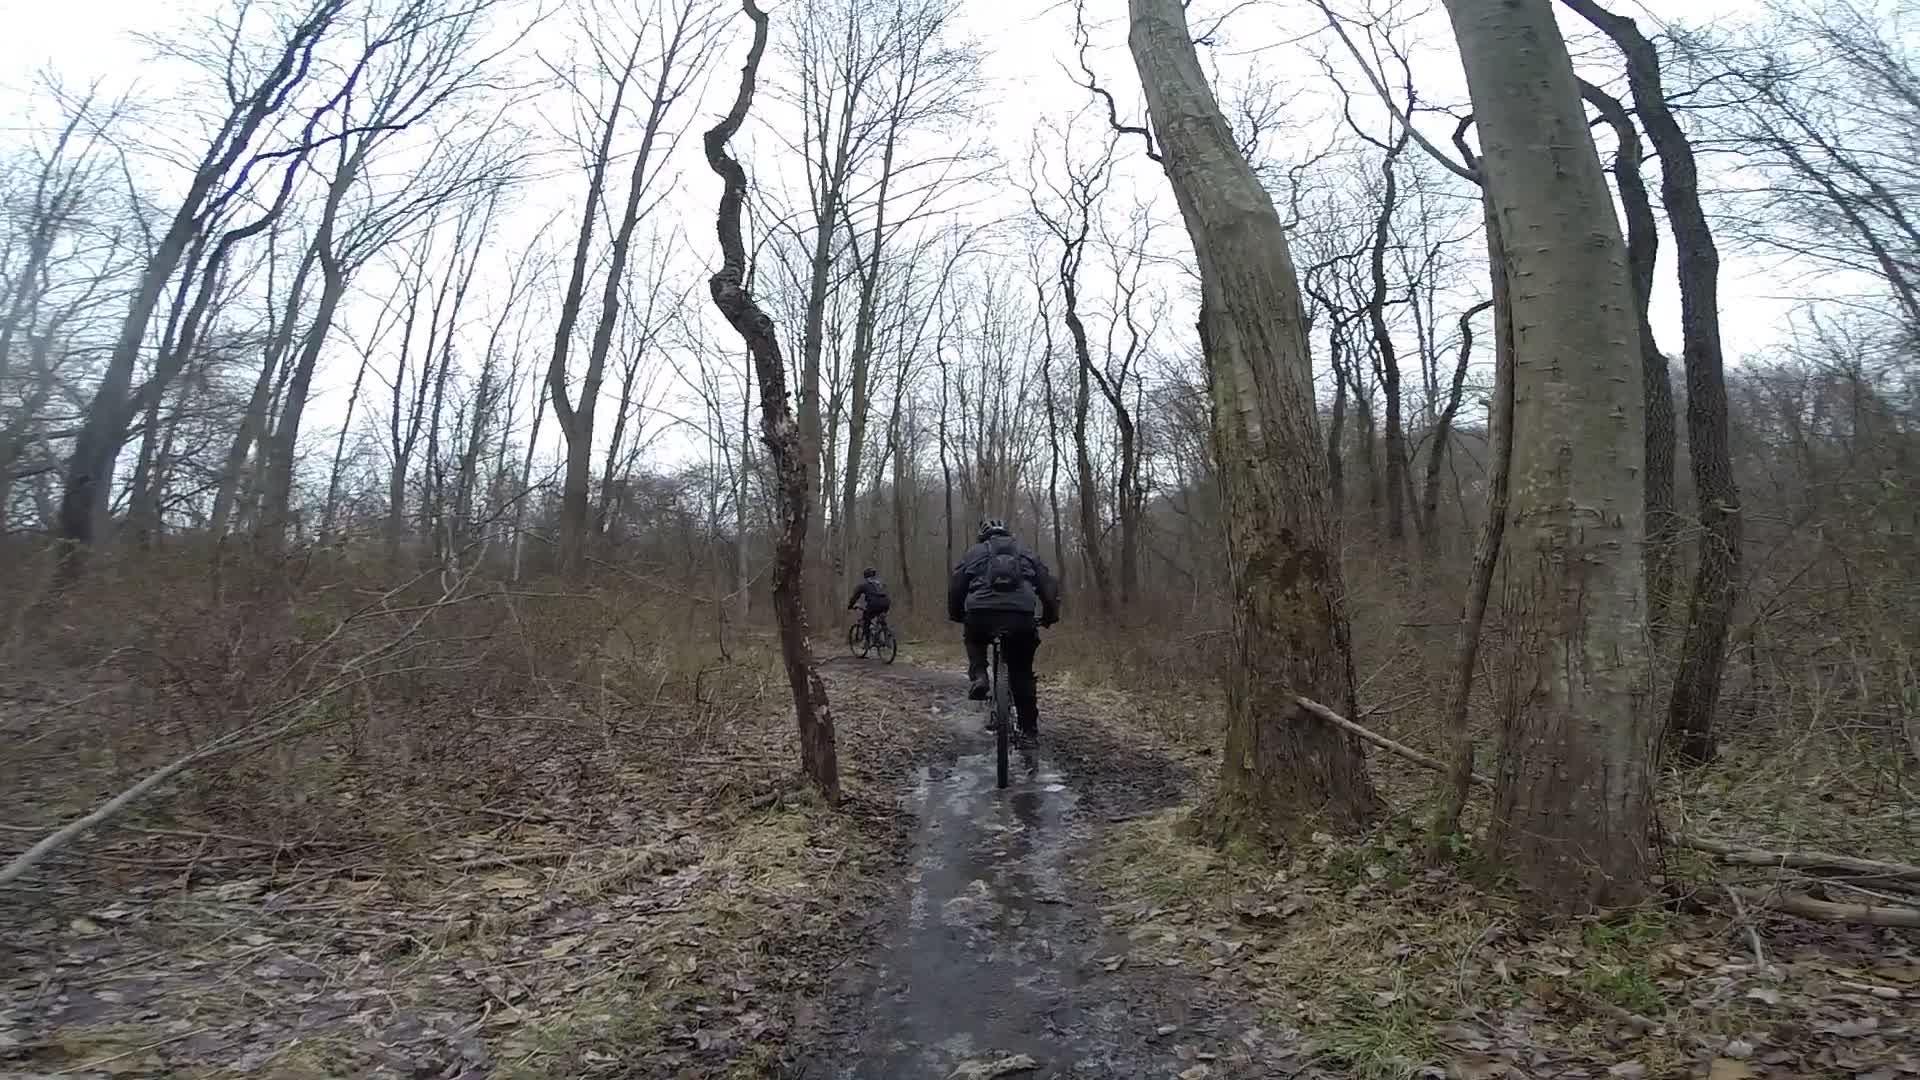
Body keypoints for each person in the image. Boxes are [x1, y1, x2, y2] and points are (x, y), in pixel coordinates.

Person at [948, 518, 1061, 737]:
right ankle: (1029, 734)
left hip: (980, 614)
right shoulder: (1025, 552)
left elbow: (956, 587)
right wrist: (1050, 616)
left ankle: (980, 676)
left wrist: (957, 614)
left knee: (974, 638)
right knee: (1022, 673)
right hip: (1020, 617)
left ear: (984, 537)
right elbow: (1048, 586)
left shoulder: (974, 553)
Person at [847, 566, 891, 644]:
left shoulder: (864, 585)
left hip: (874, 604)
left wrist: (850, 605)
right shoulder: (880, 583)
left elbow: (855, 597)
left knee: (866, 620)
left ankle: (867, 642)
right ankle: (885, 636)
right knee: (880, 618)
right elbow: (885, 592)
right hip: (886, 603)